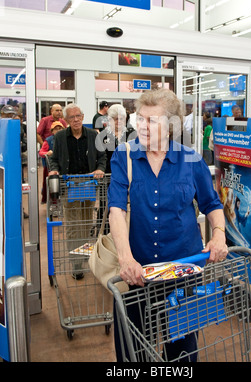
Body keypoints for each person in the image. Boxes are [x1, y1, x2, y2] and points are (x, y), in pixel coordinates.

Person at [108, 88, 227, 362]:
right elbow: (115, 209)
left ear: (171, 125)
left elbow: (212, 205)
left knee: (182, 353)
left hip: (184, 272)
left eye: (152, 120)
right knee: (133, 351)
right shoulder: (124, 156)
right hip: (140, 274)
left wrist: (218, 234)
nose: (142, 126)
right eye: (140, 118)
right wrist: (125, 258)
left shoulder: (191, 160)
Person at [48, 103, 106, 279]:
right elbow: (54, 159)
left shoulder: (92, 135)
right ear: (66, 120)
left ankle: (85, 256)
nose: (76, 120)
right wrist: (54, 170)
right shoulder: (59, 137)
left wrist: (100, 168)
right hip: (69, 186)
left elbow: (102, 156)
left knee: (86, 223)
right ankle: (76, 264)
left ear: (82, 116)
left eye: (78, 116)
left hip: (88, 185)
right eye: (72, 117)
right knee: (74, 226)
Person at [37, 104, 67, 204]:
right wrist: (46, 147)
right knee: (49, 180)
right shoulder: (45, 120)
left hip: (61, 161)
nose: (59, 112)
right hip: (49, 156)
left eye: (60, 110)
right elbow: (38, 134)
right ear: (51, 111)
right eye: (57, 110)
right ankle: (47, 196)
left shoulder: (63, 121)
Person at [97, 104, 136, 173]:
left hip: (129, 173)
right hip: (109, 174)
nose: (119, 121)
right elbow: (101, 158)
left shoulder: (132, 134)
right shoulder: (102, 136)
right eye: (116, 119)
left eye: (121, 118)